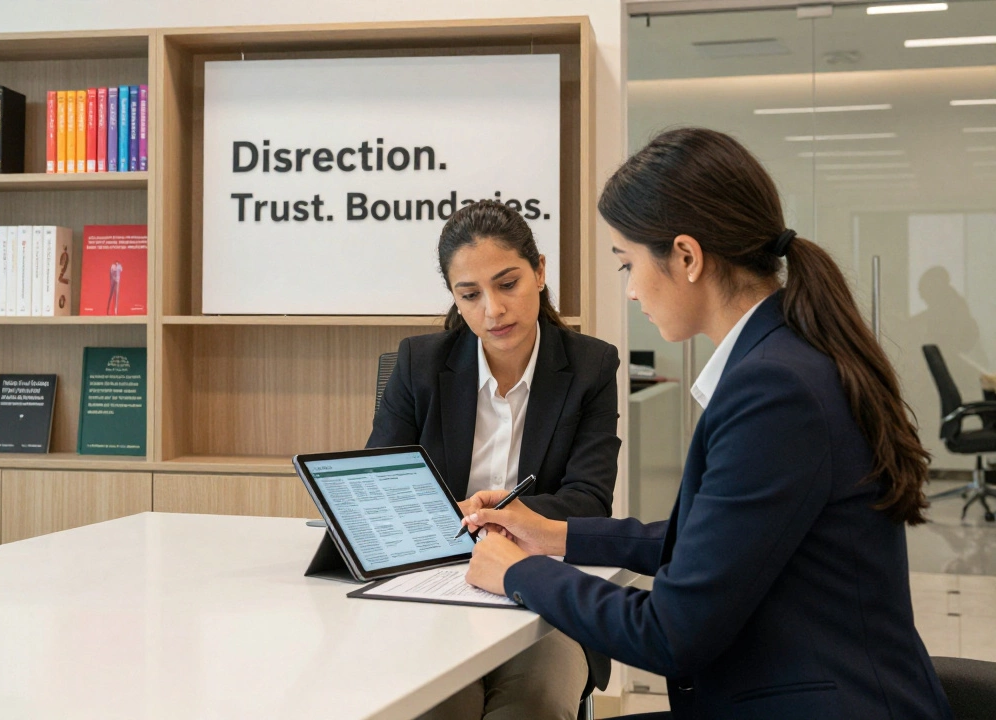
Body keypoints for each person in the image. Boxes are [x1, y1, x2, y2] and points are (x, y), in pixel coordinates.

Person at [462, 128, 954, 720]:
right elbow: (717, 542)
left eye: (628, 265)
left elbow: (669, 632)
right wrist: (556, 536)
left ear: (688, 257)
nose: (632, 292)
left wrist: (521, 572)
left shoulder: (775, 390)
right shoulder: (785, 359)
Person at [368, 199, 622, 719]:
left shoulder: (592, 366)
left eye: (508, 284)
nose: (493, 310)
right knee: (437, 707)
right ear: (455, 300)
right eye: (471, 294)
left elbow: (589, 501)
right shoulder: (419, 364)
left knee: (533, 705)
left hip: (542, 590)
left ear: (540, 272)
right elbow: (381, 491)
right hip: (435, 591)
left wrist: (491, 523)